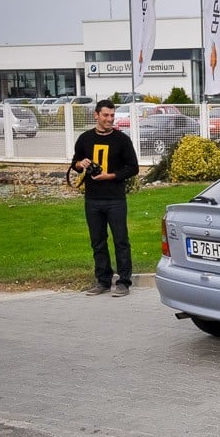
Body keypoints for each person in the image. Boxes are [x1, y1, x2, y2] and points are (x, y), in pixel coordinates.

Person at [71, 99, 139, 297]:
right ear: (96, 115)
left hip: (115, 199)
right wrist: (80, 164)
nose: (110, 119)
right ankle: (102, 280)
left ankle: (124, 282)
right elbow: (74, 163)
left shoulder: (122, 140)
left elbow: (132, 168)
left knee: (121, 241)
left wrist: (109, 176)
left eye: (112, 115)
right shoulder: (85, 139)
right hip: (92, 200)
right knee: (97, 242)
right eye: (106, 115)